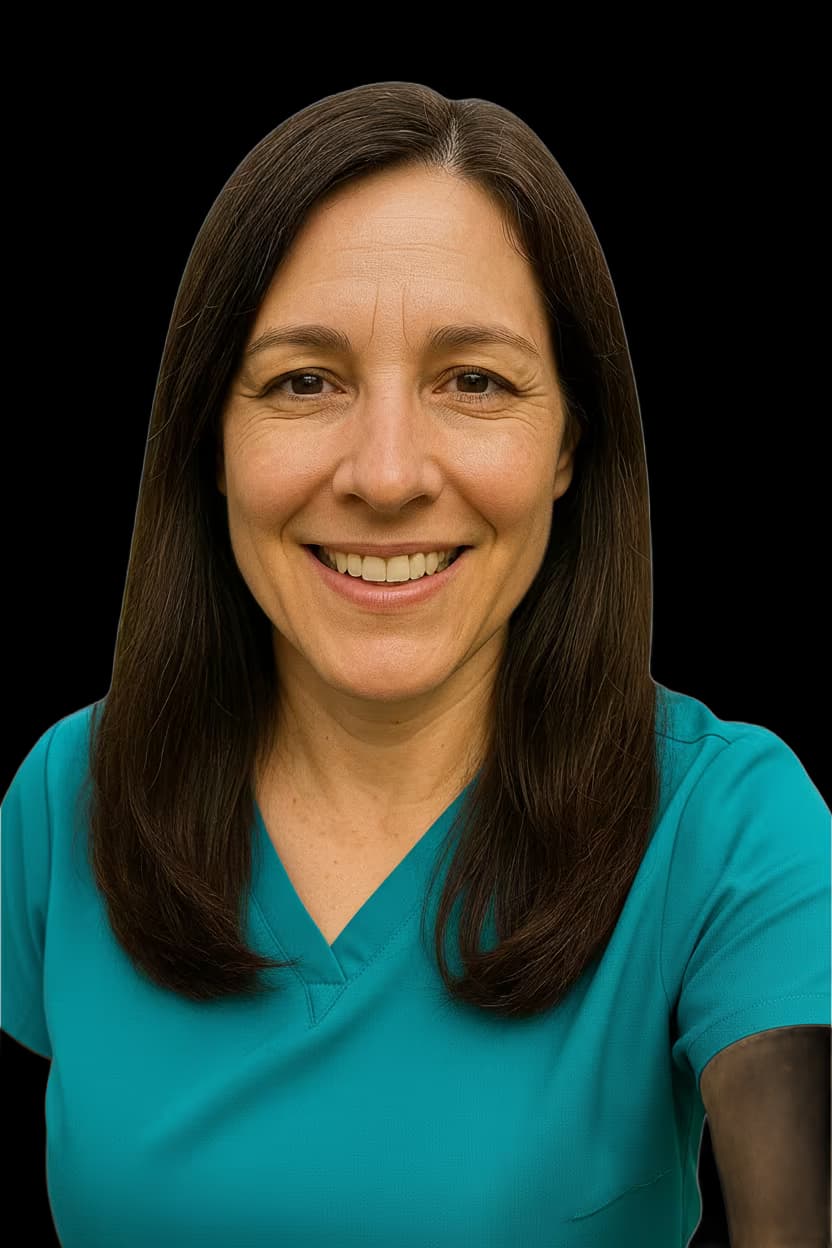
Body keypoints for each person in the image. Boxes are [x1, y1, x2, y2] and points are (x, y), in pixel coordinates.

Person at [2, 82, 828, 1247]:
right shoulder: (62, 800)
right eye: (304, 381)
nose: (386, 476)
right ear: (211, 442)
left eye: (474, 382)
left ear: (567, 446)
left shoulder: (731, 828)